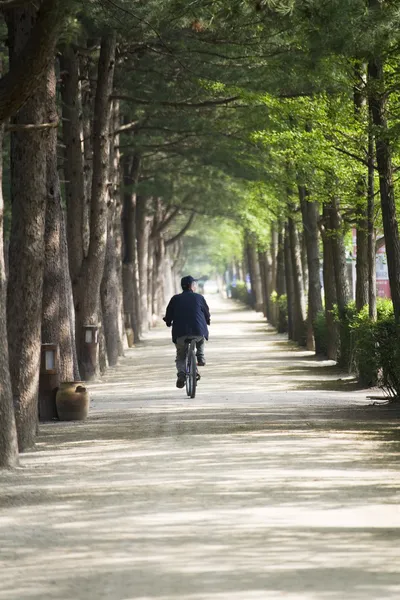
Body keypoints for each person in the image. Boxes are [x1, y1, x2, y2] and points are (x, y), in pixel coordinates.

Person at [163, 275, 211, 388]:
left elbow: (168, 314)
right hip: (198, 330)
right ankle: (200, 357)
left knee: (181, 356)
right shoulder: (199, 297)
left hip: (180, 333)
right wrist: (207, 320)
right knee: (201, 338)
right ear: (191, 286)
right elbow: (206, 312)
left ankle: (181, 374)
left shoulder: (175, 299)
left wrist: (168, 322)